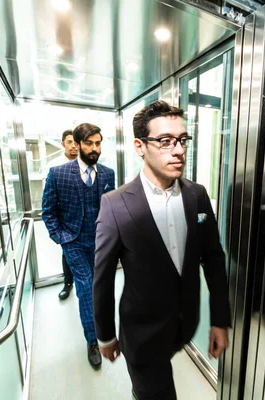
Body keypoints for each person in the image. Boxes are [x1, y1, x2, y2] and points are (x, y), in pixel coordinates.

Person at [93, 100, 231, 399]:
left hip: (186, 323)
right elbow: (102, 279)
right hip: (142, 333)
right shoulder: (116, 205)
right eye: (165, 141)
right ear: (140, 146)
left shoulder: (197, 196)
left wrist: (219, 320)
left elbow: (213, 258)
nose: (179, 150)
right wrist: (104, 335)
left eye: (182, 140)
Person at [42, 123, 115, 368]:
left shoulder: (107, 174)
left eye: (98, 143)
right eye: (89, 143)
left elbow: (112, 209)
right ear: (77, 143)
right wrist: (61, 237)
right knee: (85, 288)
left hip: (101, 243)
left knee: (100, 288)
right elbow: (48, 211)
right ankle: (93, 341)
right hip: (73, 242)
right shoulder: (58, 173)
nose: (94, 148)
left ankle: (105, 329)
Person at [44, 129, 79, 299]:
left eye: (76, 142)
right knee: (67, 253)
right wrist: (57, 233)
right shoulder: (54, 167)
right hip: (66, 220)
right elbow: (48, 202)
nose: (73, 146)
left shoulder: (87, 163)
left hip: (86, 221)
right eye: (69, 142)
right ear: (62, 144)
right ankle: (68, 283)